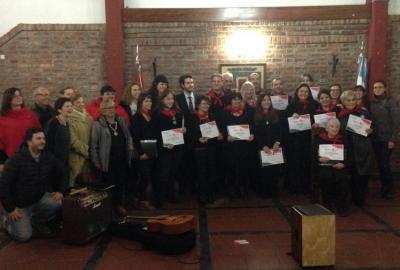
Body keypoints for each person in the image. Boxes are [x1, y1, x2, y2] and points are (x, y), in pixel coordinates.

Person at [0, 128, 66, 241]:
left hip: (38, 199)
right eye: (38, 138)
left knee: (58, 203)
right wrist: (10, 208)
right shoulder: (16, 160)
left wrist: (60, 191)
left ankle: (35, 221)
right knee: (23, 236)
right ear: (29, 142)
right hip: (18, 205)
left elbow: (63, 171)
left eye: (44, 138)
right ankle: (6, 222)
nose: (43, 141)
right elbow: (3, 185)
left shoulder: (48, 156)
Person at [91, 100, 133, 216]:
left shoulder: (121, 121)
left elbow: (128, 136)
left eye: (113, 107)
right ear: (102, 111)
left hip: (122, 159)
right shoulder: (98, 124)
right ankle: (108, 208)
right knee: (109, 185)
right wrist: (96, 162)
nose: (111, 110)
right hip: (107, 161)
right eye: (108, 108)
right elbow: (94, 146)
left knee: (121, 183)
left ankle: (119, 204)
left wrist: (130, 144)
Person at [338, 90, 374, 208]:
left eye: (353, 99)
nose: (351, 102)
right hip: (347, 150)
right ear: (343, 101)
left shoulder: (363, 113)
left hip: (362, 149)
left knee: (361, 176)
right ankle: (350, 199)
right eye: (348, 100)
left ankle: (360, 200)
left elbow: (374, 128)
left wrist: (371, 131)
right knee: (350, 176)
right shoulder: (340, 115)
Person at [187, 95, 222, 204]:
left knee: (211, 172)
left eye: (207, 103)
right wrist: (198, 139)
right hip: (199, 149)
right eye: (203, 103)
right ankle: (201, 196)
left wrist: (219, 135)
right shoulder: (192, 117)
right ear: (198, 105)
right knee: (201, 173)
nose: (206, 105)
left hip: (211, 148)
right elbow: (189, 134)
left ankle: (210, 195)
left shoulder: (212, 116)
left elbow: (217, 131)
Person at [370, 80, 400, 199]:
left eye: (380, 87)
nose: (377, 89)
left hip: (387, 140)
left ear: (385, 88)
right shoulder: (371, 103)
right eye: (375, 87)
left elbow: (397, 123)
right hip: (375, 139)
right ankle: (384, 188)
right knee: (380, 165)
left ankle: (389, 189)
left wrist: (393, 139)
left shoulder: (391, 102)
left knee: (385, 165)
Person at [154, 91, 185, 208]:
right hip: (164, 148)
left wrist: (183, 130)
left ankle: (172, 196)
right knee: (164, 174)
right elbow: (156, 132)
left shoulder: (177, 113)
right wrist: (164, 143)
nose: (170, 101)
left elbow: (179, 129)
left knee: (173, 173)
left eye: (172, 99)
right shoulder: (157, 114)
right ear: (162, 100)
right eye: (168, 99)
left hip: (177, 148)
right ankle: (160, 198)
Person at [286, 83, 318, 195]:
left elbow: (317, 120)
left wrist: (314, 124)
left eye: (306, 92)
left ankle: (306, 187)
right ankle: (294, 188)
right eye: (301, 91)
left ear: (309, 93)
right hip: (294, 140)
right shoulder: (290, 106)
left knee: (306, 163)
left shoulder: (314, 105)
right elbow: (285, 123)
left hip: (308, 139)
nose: (303, 93)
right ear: (297, 93)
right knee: (294, 163)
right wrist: (291, 117)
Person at [0, 88, 41, 173]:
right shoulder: (2, 119)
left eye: (19, 95)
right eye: (15, 96)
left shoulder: (29, 114)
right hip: (9, 158)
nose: (18, 98)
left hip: (32, 155)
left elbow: (39, 133)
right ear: (8, 99)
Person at [314, 118, 350, 216]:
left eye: (337, 126)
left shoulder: (343, 139)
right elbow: (312, 155)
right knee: (326, 177)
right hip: (324, 166)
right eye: (332, 126)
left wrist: (344, 164)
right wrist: (319, 158)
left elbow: (350, 155)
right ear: (326, 128)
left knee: (342, 179)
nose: (334, 128)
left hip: (339, 166)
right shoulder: (319, 139)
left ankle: (341, 205)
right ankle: (327, 203)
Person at [222, 92, 254, 199]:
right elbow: (222, 128)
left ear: (241, 101)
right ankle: (231, 191)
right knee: (231, 169)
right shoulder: (225, 113)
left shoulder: (247, 112)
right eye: (234, 99)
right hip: (230, 146)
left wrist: (252, 135)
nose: (236, 101)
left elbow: (252, 126)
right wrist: (226, 136)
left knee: (243, 168)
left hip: (244, 146)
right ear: (230, 101)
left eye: (238, 99)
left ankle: (243, 190)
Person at [131, 93, 158, 210]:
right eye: (146, 101)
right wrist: (141, 153)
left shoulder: (151, 115)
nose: (149, 103)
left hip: (152, 150)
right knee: (144, 177)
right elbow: (135, 137)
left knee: (150, 176)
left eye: (150, 101)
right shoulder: (137, 117)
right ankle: (142, 199)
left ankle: (146, 198)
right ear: (140, 103)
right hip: (142, 153)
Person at [253, 94, 282, 198]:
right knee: (262, 172)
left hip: (274, 147)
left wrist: (277, 142)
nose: (266, 102)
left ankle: (273, 191)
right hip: (261, 147)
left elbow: (280, 131)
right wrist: (262, 145)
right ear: (260, 102)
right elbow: (255, 132)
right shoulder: (255, 114)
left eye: (268, 100)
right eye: (264, 100)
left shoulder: (277, 113)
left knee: (274, 171)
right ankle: (263, 192)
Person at [175, 74, 198, 195]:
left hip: (196, 137)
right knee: (183, 164)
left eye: (192, 82)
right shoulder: (176, 99)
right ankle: (184, 190)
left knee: (195, 164)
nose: (191, 85)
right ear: (182, 85)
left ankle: (194, 189)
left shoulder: (198, 98)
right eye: (188, 83)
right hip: (182, 136)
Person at [68, 94, 93, 187]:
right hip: (76, 157)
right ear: (72, 104)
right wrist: (87, 151)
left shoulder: (89, 118)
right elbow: (72, 140)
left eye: (82, 102)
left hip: (89, 158)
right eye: (78, 102)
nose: (81, 104)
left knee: (88, 185)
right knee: (75, 185)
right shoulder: (69, 118)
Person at [45, 98, 73, 174]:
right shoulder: (53, 123)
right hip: (54, 164)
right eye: (67, 106)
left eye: (71, 106)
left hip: (63, 163)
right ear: (59, 110)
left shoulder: (66, 123)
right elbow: (48, 145)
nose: (70, 108)